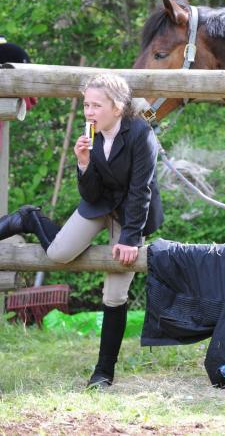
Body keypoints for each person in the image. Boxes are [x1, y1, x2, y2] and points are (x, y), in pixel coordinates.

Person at [0, 73, 164, 389]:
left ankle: (103, 372)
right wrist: (84, 163)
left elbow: (141, 190)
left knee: (115, 294)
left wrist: (130, 239)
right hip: (100, 204)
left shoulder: (141, 134)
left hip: (131, 214)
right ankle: (29, 219)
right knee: (59, 253)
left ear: (117, 107)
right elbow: (90, 195)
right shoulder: (92, 134)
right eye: (86, 105)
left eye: (96, 106)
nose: (89, 112)